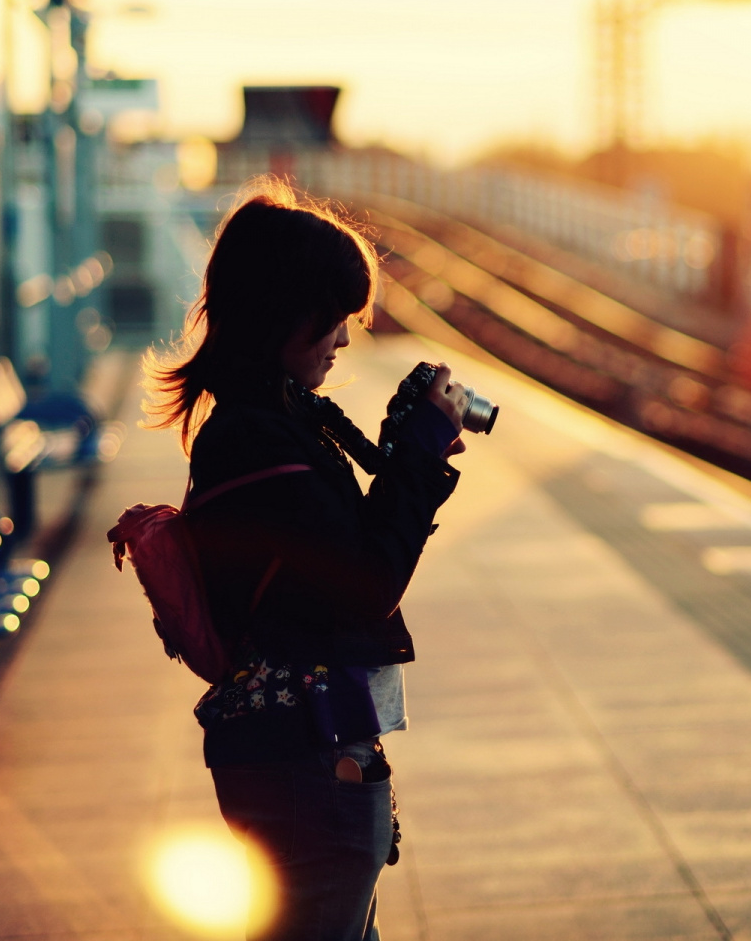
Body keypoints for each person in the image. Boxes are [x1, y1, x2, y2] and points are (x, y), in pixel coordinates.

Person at [144, 176, 468, 941]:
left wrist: (405, 459)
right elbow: (365, 585)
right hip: (308, 773)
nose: (345, 339)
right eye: (334, 317)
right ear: (283, 314)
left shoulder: (264, 423)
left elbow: (341, 558)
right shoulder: (258, 438)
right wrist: (416, 460)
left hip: (306, 765)